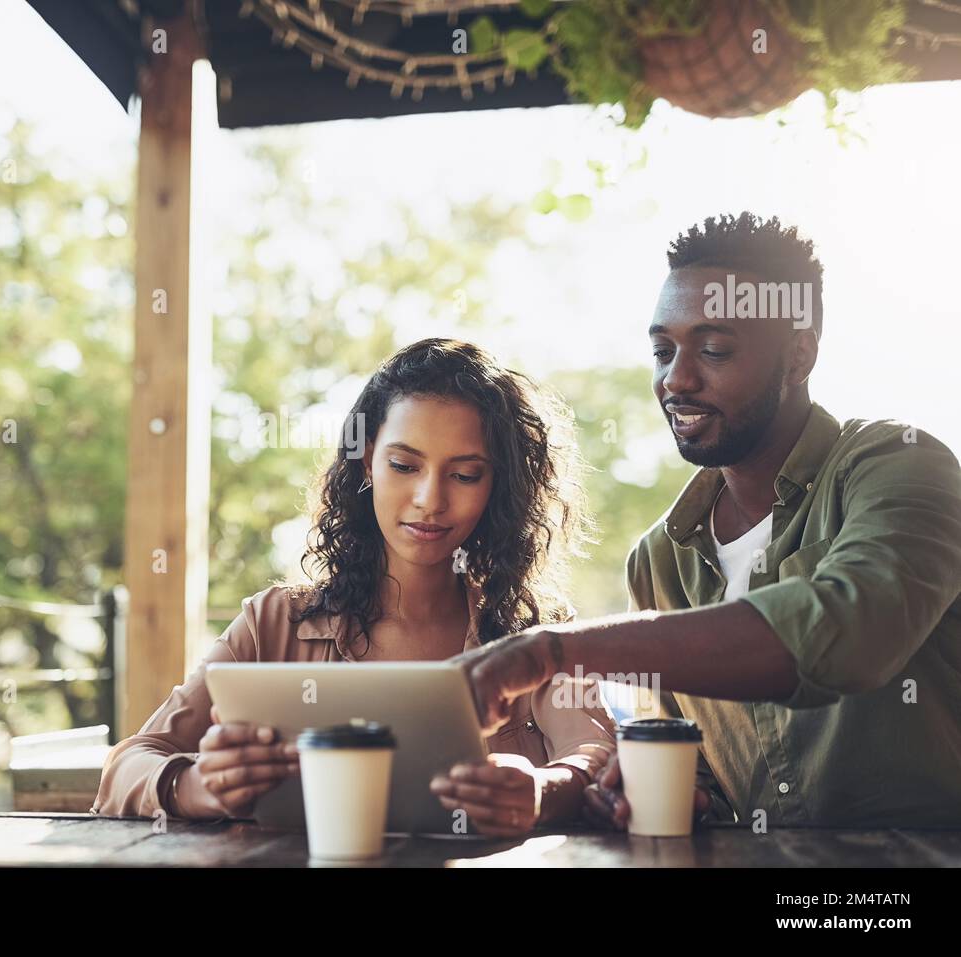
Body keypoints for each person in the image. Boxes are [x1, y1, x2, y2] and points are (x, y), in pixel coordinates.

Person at [452, 213, 961, 828]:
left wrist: (554, 651)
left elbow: (848, 631)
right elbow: (699, 773)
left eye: (714, 349)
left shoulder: (898, 463)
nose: (676, 379)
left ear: (798, 356)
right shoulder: (659, 560)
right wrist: (648, 788)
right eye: (663, 351)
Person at [94, 338, 615, 834]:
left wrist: (544, 790)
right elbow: (128, 765)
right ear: (367, 460)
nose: (429, 500)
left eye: (465, 475)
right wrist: (196, 787)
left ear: (498, 485)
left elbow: (598, 756)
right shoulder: (273, 625)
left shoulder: (536, 636)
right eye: (404, 465)